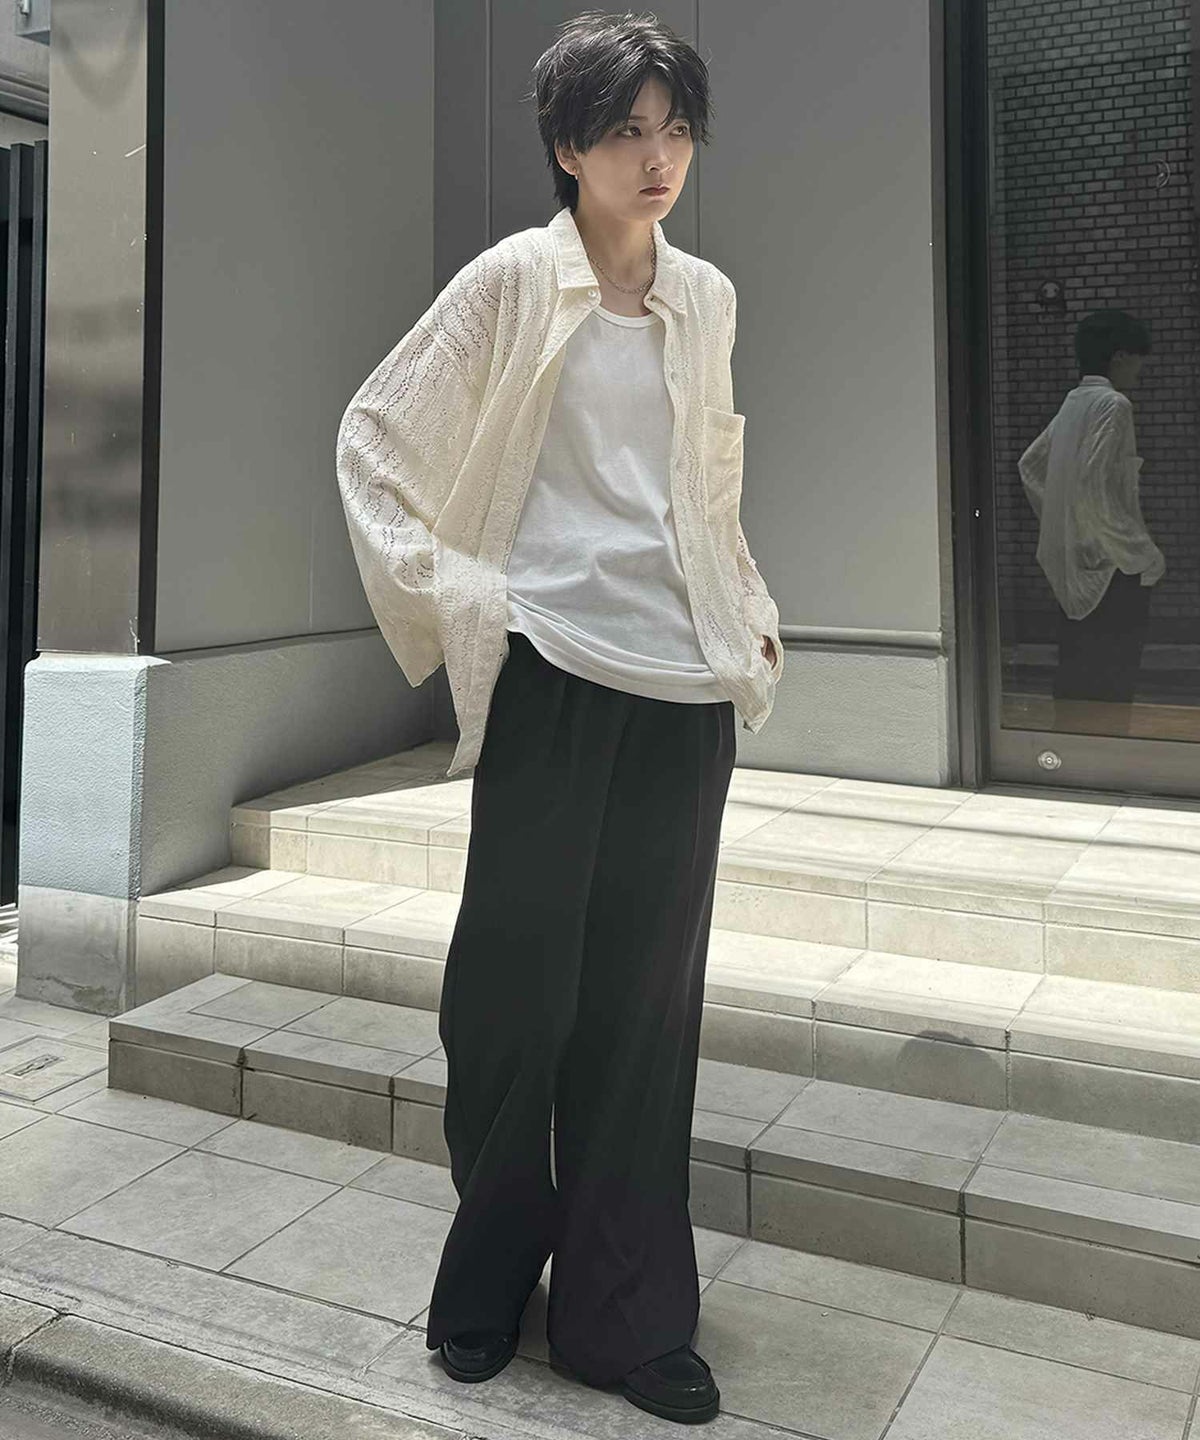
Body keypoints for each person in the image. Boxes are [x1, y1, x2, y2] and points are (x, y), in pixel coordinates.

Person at [334, 9, 784, 1427]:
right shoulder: (513, 283)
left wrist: (747, 611)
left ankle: (623, 1314)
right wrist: (470, 598)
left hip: (681, 693)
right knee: (512, 999)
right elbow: (374, 438)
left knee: (644, 1019)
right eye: (625, 131)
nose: (658, 157)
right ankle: (487, 1274)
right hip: (553, 671)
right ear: (567, 146)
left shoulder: (705, 299)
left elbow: (704, 488)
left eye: (675, 128)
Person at [1018, 309, 1165, 730]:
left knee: (1077, 672)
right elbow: (1095, 488)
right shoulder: (1113, 404)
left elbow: (1030, 466)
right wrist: (1143, 554)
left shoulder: (1074, 402)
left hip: (1074, 567)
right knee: (1114, 676)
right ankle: (1106, 757)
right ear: (1120, 356)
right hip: (1111, 569)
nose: (1140, 369)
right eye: (1138, 359)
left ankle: (1074, 754)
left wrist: (1063, 525)